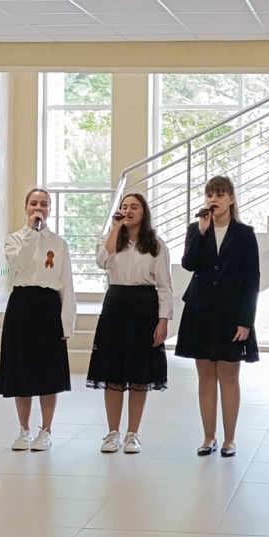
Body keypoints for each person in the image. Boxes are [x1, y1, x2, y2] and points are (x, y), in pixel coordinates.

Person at [176, 175, 260, 458]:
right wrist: (201, 233)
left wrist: (246, 320)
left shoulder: (245, 233)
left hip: (231, 313)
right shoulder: (196, 229)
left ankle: (230, 439)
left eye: (220, 194)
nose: (214, 199)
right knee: (205, 374)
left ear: (231, 199)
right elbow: (189, 264)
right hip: (200, 309)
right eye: (210, 194)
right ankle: (208, 436)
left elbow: (252, 278)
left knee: (228, 374)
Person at [87, 193, 173, 454]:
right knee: (112, 374)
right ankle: (112, 433)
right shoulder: (110, 239)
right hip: (116, 306)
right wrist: (115, 228)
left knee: (139, 375)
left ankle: (132, 434)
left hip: (144, 308)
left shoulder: (156, 245)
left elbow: (165, 285)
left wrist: (163, 320)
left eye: (134, 207)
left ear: (144, 212)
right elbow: (102, 262)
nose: (128, 211)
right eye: (124, 207)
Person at [0, 188, 75, 452]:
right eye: (33, 203)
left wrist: (67, 322)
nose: (38, 208)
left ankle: (46, 430)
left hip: (48, 307)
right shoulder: (14, 239)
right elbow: (19, 263)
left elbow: (66, 284)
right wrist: (31, 233)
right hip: (21, 305)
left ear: (50, 209)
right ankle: (24, 429)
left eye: (44, 204)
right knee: (21, 369)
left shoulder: (59, 243)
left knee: (48, 371)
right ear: (26, 208)